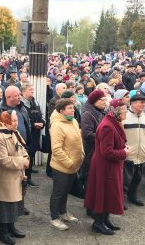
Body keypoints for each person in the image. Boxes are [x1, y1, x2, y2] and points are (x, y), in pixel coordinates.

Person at [84, 99, 130, 235]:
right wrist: (124, 152)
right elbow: (107, 151)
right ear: (117, 112)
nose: (126, 113)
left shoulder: (112, 122)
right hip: (104, 166)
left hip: (110, 165)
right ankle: (98, 223)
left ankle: (105, 219)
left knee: (109, 193)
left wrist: (122, 148)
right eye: (124, 110)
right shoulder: (107, 126)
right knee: (102, 193)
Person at [0, 110, 29, 245]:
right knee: (4, 205)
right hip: (4, 177)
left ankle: (11, 228)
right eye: (13, 121)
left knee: (14, 204)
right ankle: (3, 232)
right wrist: (22, 162)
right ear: (4, 122)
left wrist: (26, 158)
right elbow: (3, 160)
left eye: (16, 120)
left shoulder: (15, 133)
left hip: (15, 175)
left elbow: (22, 149)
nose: (16, 123)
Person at [49, 99, 84, 231]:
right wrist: (69, 163)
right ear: (61, 111)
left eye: (73, 107)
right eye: (69, 108)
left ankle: (63, 213)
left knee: (66, 191)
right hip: (62, 166)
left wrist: (81, 156)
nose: (73, 110)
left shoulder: (73, 121)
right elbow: (56, 149)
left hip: (74, 165)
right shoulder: (57, 125)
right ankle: (54, 218)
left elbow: (79, 141)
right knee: (58, 192)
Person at [122, 94, 145, 208]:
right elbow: (119, 135)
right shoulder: (124, 117)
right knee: (124, 180)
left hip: (142, 156)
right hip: (128, 156)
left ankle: (133, 196)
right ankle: (121, 199)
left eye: (144, 102)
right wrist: (123, 150)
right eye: (141, 102)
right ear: (133, 103)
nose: (143, 104)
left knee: (137, 179)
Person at [79, 90, 107, 202]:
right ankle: (89, 204)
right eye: (102, 100)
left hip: (99, 149)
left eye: (105, 99)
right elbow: (87, 134)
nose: (105, 102)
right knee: (90, 178)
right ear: (94, 101)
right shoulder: (88, 114)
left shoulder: (100, 112)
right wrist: (106, 138)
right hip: (91, 151)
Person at [21, 82, 45, 187]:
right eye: (30, 90)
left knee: (32, 154)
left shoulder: (34, 101)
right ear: (23, 91)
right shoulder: (20, 104)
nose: (32, 91)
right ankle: (26, 178)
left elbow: (41, 114)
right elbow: (22, 119)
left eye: (32, 90)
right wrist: (33, 124)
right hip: (26, 134)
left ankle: (28, 175)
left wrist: (42, 123)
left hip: (35, 133)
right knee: (26, 156)